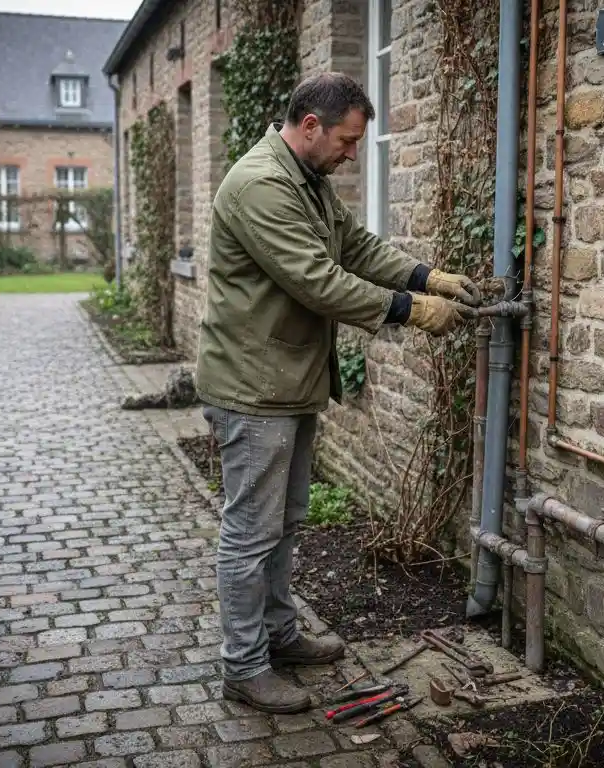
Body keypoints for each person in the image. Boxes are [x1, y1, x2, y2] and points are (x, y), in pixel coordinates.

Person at [194, 71, 481, 714]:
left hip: (286, 381)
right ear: (310, 126)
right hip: (252, 387)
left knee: (285, 522)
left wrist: (427, 275)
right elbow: (318, 280)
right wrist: (413, 309)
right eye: (348, 141)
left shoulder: (308, 180)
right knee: (251, 532)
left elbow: (354, 247)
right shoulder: (261, 185)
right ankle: (243, 667)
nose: (352, 154)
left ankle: (279, 635)